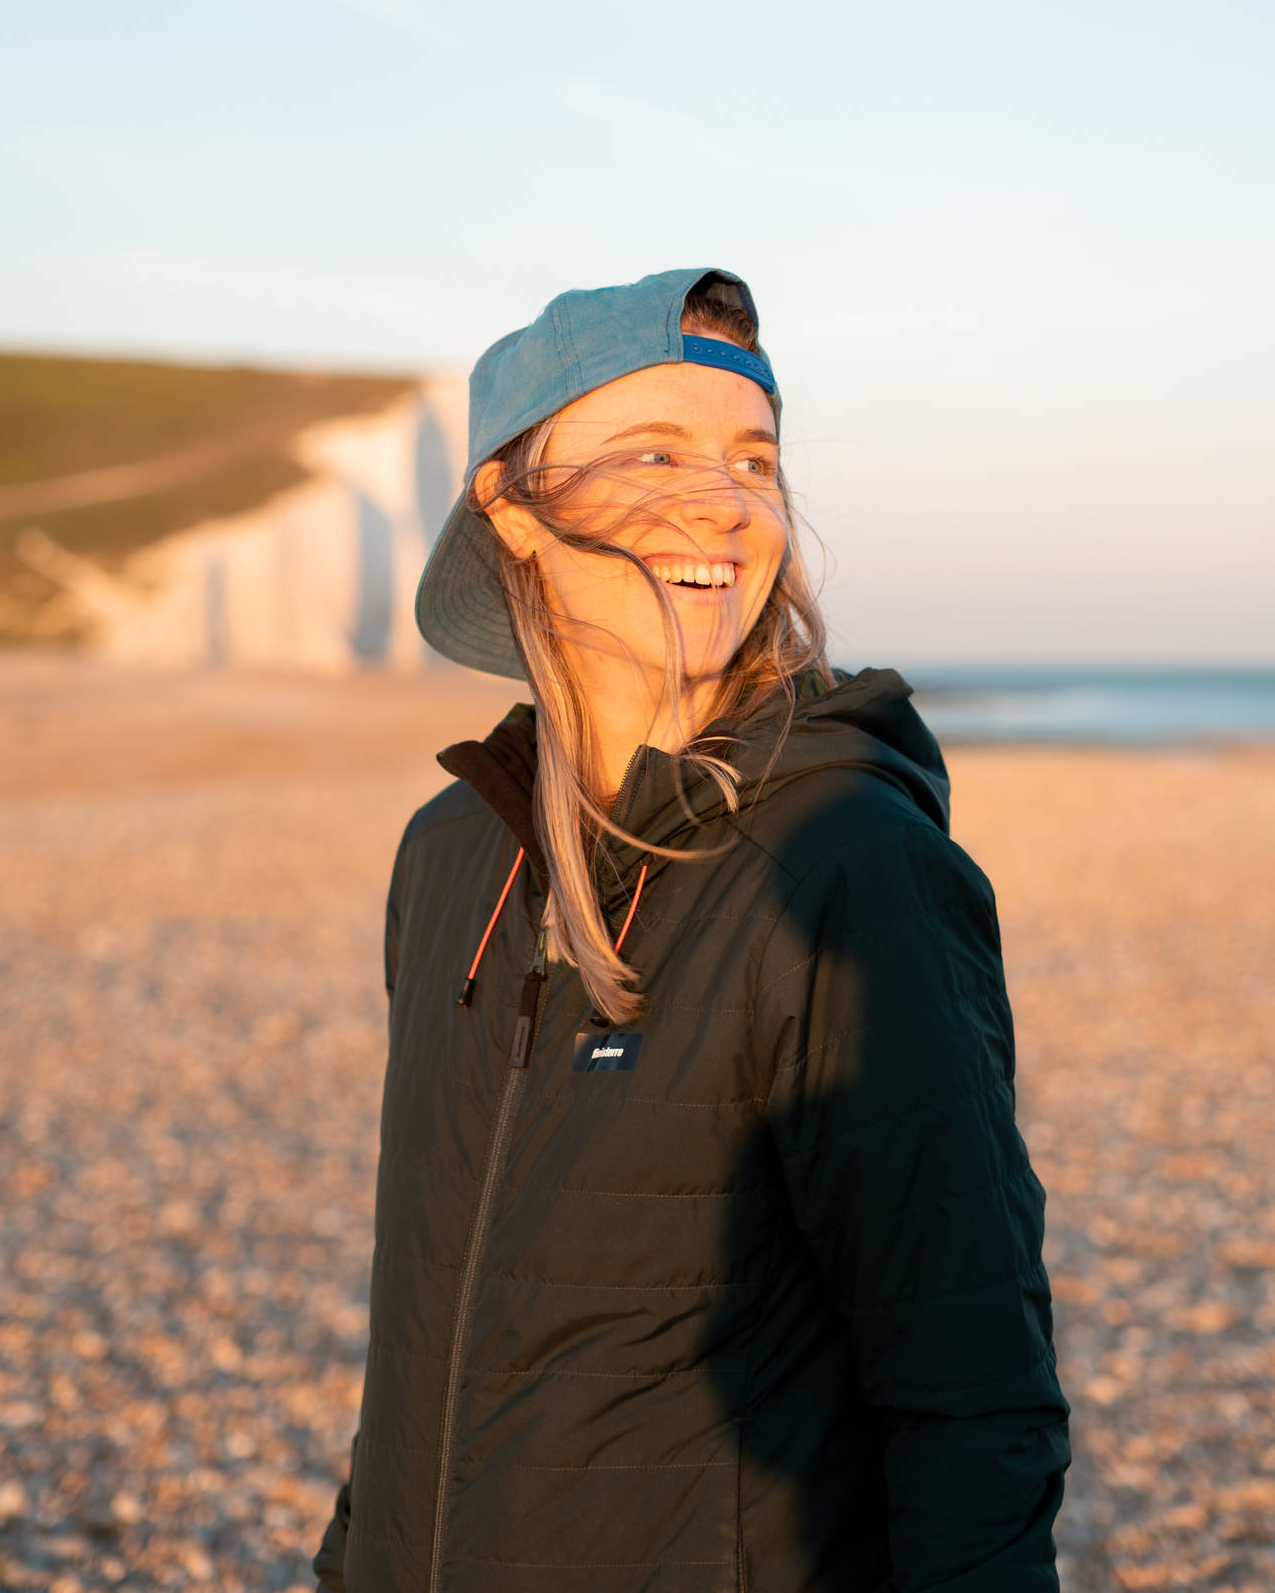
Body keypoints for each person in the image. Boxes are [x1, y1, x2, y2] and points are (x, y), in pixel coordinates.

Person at [313, 267, 1070, 1593]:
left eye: (753, 458)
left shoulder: (848, 865)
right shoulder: (451, 857)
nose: (721, 498)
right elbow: (424, 1324)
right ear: (515, 509)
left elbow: (971, 1392)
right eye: (652, 449)